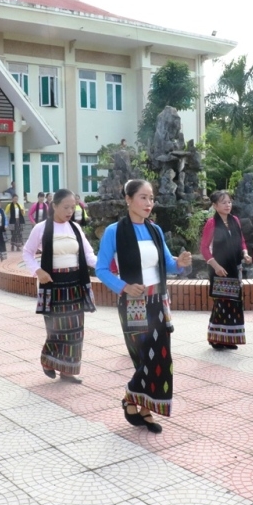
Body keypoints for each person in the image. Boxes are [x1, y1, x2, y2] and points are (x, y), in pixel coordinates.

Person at [96, 180, 192, 433]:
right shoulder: (114, 232)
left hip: (158, 301)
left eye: (151, 198)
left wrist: (179, 263)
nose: (149, 203)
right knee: (143, 358)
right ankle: (132, 398)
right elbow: (101, 269)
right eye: (143, 197)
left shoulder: (155, 230)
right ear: (128, 199)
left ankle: (145, 408)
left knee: (162, 356)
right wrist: (124, 287)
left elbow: (167, 265)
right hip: (133, 304)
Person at [24, 189, 97, 382]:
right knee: (56, 328)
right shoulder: (41, 228)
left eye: (72, 207)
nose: (69, 211)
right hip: (53, 284)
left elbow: (89, 256)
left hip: (75, 284)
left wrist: (106, 266)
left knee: (75, 329)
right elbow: (27, 253)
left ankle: (68, 370)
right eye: (65, 207)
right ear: (54, 206)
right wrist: (38, 271)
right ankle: (48, 360)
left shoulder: (75, 229)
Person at [201, 190, 251, 351]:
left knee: (234, 303)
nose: (227, 205)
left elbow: (241, 241)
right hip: (219, 269)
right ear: (215, 206)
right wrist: (216, 266)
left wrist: (245, 253)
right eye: (223, 202)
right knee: (221, 303)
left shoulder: (235, 220)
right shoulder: (212, 223)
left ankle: (230, 338)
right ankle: (216, 339)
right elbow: (204, 248)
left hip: (235, 267)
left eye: (229, 201)